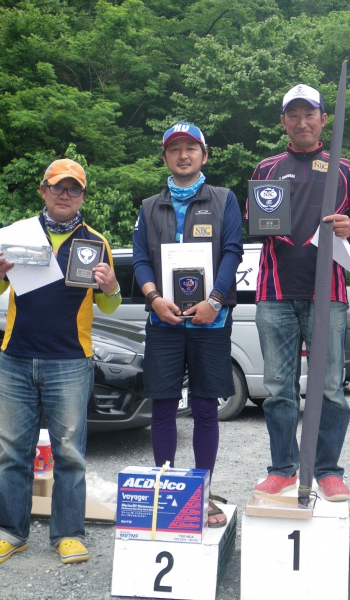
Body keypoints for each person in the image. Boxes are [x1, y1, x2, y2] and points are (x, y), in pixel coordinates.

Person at [0, 159, 121, 564]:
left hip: (71, 360)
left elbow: (109, 306)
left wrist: (110, 287)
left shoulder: (96, 240)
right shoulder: (17, 235)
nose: (65, 195)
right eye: (58, 187)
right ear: (43, 190)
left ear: (83, 197)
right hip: (16, 357)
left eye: (74, 189)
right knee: (11, 452)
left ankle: (68, 534)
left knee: (70, 454)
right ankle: (11, 532)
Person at [248, 84, 350, 501]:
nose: (302, 122)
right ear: (283, 121)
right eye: (293, 115)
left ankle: (328, 469)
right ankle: (282, 467)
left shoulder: (344, 168)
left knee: (331, 387)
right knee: (278, 387)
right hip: (274, 293)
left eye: (309, 114)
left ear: (322, 119)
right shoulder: (265, 168)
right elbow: (255, 222)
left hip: (328, 294)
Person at [132, 121, 243, 527]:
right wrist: (153, 298)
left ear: (204, 155)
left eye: (191, 148)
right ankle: (167, 488)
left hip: (210, 321)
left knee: (204, 407)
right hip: (163, 320)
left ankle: (204, 490)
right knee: (162, 405)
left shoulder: (224, 199)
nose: (183, 155)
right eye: (175, 148)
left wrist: (214, 301)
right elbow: (141, 258)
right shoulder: (149, 205)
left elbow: (232, 252)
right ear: (165, 157)